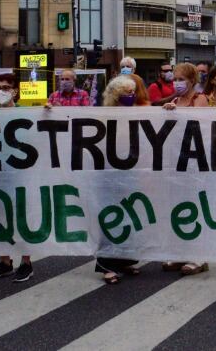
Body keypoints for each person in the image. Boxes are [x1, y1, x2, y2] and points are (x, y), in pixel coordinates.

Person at [0, 74, 34, 283]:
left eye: (6, 87)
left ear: (15, 91)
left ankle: (26, 263)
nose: (1, 91)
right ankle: (5, 262)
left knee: (21, 219)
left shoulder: (27, 113)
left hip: (20, 175)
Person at [94, 75, 143, 284]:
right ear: (115, 96)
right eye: (125, 94)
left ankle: (125, 259)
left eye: (132, 93)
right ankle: (106, 264)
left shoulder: (136, 114)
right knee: (109, 218)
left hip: (129, 173)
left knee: (128, 216)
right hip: (108, 174)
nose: (130, 97)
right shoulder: (104, 116)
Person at [162, 63, 209, 275]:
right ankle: (179, 251)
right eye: (175, 79)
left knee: (195, 205)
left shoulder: (199, 99)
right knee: (178, 206)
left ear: (192, 81)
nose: (177, 83)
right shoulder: (173, 101)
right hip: (176, 160)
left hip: (194, 160)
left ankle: (198, 255)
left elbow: (199, 124)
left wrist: (177, 112)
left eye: (182, 79)